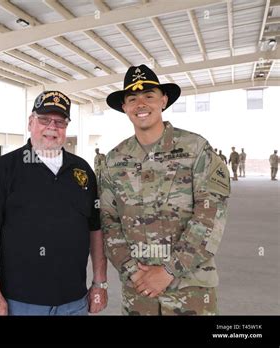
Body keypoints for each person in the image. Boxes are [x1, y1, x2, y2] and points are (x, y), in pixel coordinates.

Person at [101, 64, 230, 315]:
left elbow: (210, 218)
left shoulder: (196, 149)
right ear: (125, 107)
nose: (141, 104)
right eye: (133, 99)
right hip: (138, 294)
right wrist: (132, 271)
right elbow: (108, 222)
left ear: (163, 100)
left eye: (149, 96)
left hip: (190, 292)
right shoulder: (113, 160)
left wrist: (170, 270)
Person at [0, 90, 108, 315]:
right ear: (30, 122)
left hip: (74, 301)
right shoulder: (4, 169)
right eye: (44, 119)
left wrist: (100, 283)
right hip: (20, 302)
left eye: (60, 122)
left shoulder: (82, 170)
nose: (52, 127)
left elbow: (96, 230)